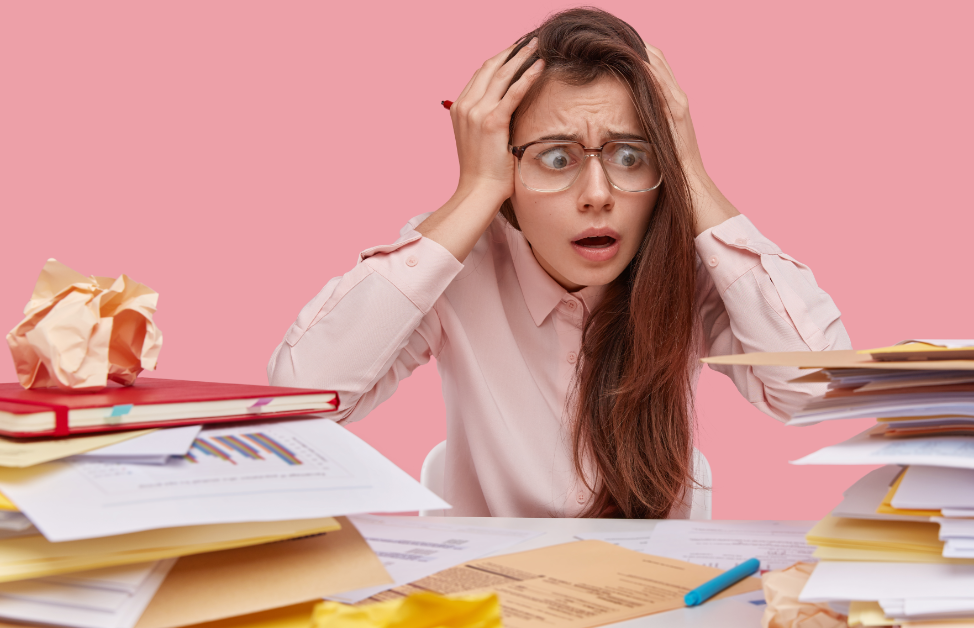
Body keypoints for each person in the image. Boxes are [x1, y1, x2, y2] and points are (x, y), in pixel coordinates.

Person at [268, 8, 850, 519]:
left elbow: (817, 388)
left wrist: (691, 174)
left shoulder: (691, 268)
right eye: (555, 158)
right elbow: (304, 399)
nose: (597, 193)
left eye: (629, 155)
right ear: (507, 172)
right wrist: (473, 193)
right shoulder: (456, 265)